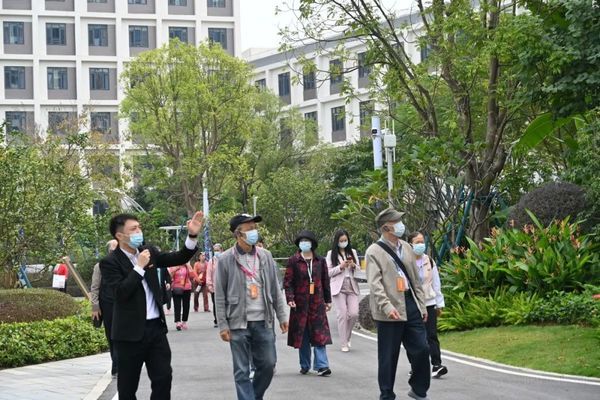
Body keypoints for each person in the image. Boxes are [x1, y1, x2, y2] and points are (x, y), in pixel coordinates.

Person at [100, 211, 203, 400]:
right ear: (120, 235)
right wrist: (138, 267)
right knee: (128, 387)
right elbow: (121, 294)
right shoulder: (109, 262)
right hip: (129, 335)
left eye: (139, 227)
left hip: (155, 329)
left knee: (163, 378)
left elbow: (178, 257)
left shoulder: (149, 252)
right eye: (133, 229)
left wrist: (192, 235)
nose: (139, 231)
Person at [215, 213, 288, 400]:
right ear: (238, 235)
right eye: (249, 229)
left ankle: (253, 397)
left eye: (255, 228)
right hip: (238, 323)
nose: (254, 232)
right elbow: (220, 295)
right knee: (241, 371)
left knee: (268, 365)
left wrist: (282, 316)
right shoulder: (225, 259)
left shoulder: (265, 256)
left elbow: (274, 288)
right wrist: (223, 324)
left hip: (264, 321)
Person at [365, 208, 430, 400]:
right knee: (388, 356)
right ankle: (386, 394)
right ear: (386, 227)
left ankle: (419, 389)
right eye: (397, 221)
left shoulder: (407, 247)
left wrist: (422, 305)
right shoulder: (373, 252)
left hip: (410, 303)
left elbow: (415, 280)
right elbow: (375, 285)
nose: (401, 225)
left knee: (422, 348)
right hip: (389, 309)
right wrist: (387, 306)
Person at [284, 230, 333, 376]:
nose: (304, 243)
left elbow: (325, 281)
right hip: (300, 304)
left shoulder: (320, 260)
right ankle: (305, 364)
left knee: (319, 334)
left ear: (312, 243)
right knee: (303, 335)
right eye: (301, 241)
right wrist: (290, 298)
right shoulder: (294, 260)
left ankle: (322, 365)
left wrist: (328, 299)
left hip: (317, 303)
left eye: (307, 241)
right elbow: (288, 282)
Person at [407, 231, 447, 379]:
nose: (421, 245)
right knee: (415, 337)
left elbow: (436, 283)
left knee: (431, 335)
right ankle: (415, 366)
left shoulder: (429, 260)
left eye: (422, 241)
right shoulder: (406, 261)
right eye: (417, 242)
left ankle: (436, 364)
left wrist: (439, 304)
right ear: (410, 244)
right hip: (412, 303)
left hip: (429, 302)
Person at [326, 229, 360, 352]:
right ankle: (343, 343)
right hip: (338, 287)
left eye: (345, 240)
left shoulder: (353, 252)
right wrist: (340, 267)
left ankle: (347, 336)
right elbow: (328, 272)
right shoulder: (331, 254)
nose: (343, 242)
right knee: (342, 315)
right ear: (337, 241)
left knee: (354, 313)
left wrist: (353, 265)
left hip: (351, 285)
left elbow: (359, 270)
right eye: (341, 241)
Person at [90, 239, 119, 376]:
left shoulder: (125, 264)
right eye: (112, 249)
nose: (114, 251)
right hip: (107, 305)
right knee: (111, 334)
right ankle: (116, 362)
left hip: (123, 304)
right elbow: (94, 287)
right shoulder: (100, 266)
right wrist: (95, 306)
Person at [168, 262, 197, 331]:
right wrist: (175, 268)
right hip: (176, 287)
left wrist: (188, 266)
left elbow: (192, 275)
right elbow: (169, 276)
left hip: (187, 287)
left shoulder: (187, 266)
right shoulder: (173, 265)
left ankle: (184, 321)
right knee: (177, 305)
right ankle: (178, 322)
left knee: (186, 305)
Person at [206, 243, 223, 328]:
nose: (216, 252)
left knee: (224, 304)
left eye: (218, 250)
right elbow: (208, 274)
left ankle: (224, 320)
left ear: (221, 250)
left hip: (224, 287)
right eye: (215, 250)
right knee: (216, 304)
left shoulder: (225, 259)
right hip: (214, 287)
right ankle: (216, 320)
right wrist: (209, 285)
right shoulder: (211, 261)